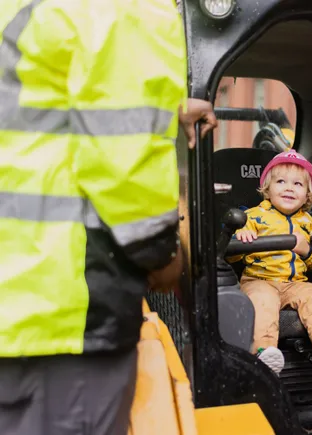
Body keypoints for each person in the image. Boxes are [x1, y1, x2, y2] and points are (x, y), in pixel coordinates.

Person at [0, 1, 216, 434]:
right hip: (63, 309)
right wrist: (164, 253)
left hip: (23, 300)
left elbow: (43, 112)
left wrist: (164, 110)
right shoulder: (126, 6)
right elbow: (125, 161)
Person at [228, 150, 312, 380]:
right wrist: (240, 235)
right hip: (259, 281)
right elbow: (231, 257)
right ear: (267, 188)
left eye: (297, 184)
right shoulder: (253, 217)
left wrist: (307, 251)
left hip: (296, 283)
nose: (288, 188)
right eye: (281, 181)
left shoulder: (308, 223)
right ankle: (264, 353)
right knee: (263, 303)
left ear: (307, 195)